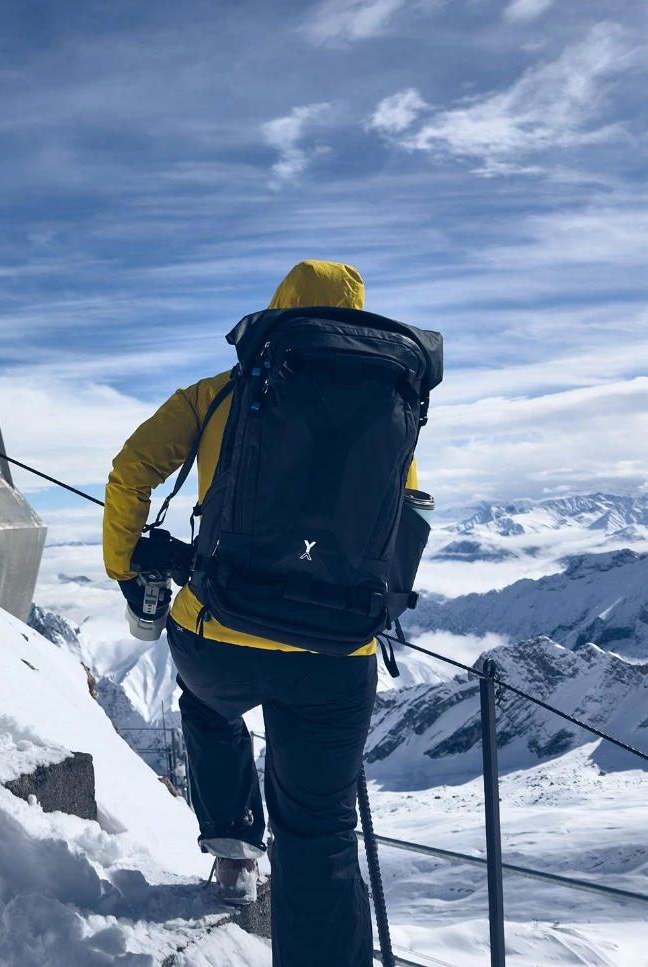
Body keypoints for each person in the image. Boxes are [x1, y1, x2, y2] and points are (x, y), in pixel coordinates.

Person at [102, 261, 419, 967]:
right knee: (321, 832)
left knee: (207, 710)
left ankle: (234, 853)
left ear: (280, 312)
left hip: (221, 633)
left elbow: (130, 470)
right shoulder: (390, 406)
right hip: (337, 656)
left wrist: (127, 569)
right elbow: (409, 515)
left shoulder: (219, 393)